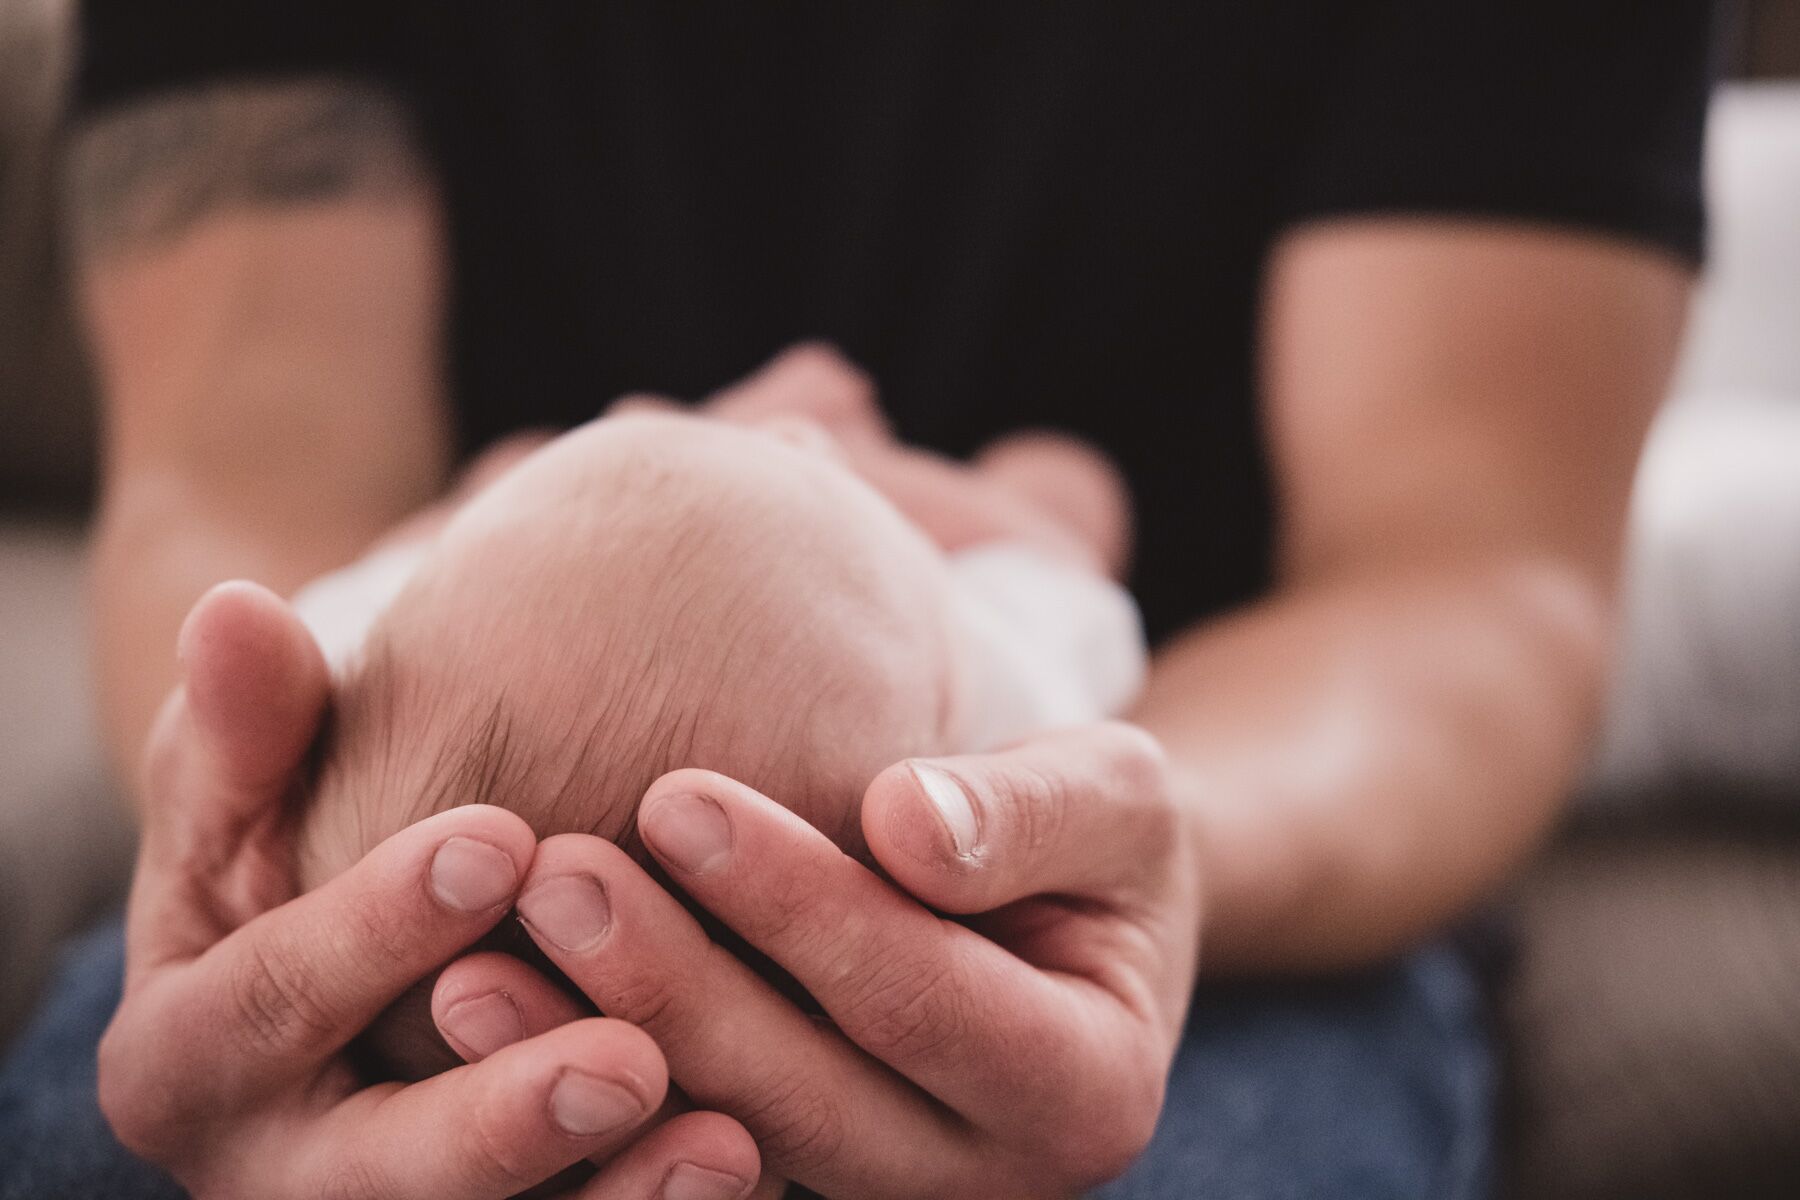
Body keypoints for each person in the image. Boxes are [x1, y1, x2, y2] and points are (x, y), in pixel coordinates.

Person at [0, 2, 1712, 1197]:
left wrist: (1098, 861)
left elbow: (1460, 578)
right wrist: (279, 873)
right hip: (417, 940)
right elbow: (247, 492)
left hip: (1210, 897)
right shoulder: (1017, 629)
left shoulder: (1023, 734)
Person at [289, 402, 1147, 1088]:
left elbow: (342, 600)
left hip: (563, 497)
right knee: (1052, 476)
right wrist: (890, 477)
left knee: (511, 459)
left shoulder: (349, 639)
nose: (791, 435)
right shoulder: (998, 683)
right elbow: (1068, 554)